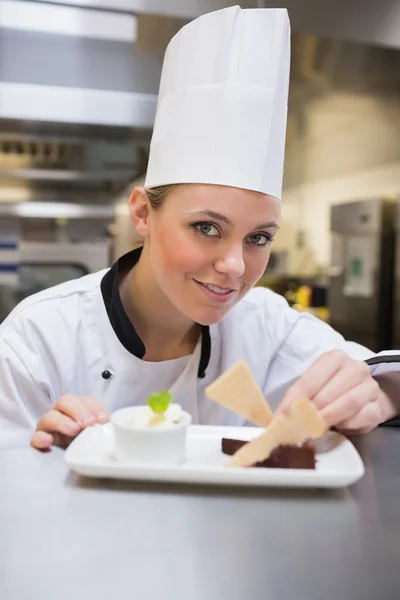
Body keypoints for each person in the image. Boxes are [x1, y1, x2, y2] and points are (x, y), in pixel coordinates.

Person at [0, 6, 399, 451]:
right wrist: (38, 467)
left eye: (259, 237)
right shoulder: (40, 339)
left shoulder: (266, 326)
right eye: (207, 227)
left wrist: (381, 396)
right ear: (143, 215)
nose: (234, 266)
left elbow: (383, 377)